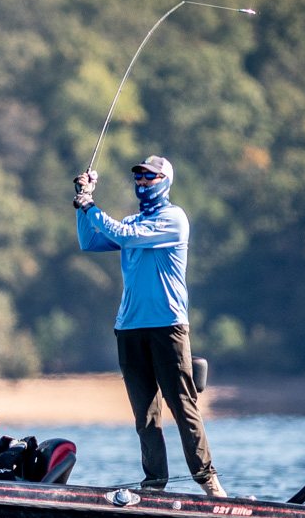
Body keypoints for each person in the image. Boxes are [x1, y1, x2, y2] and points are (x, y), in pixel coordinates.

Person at [74, 156, 227, 497]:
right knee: (145, 416)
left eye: (149, 177)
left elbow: (125, 237)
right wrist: (83, 201)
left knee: (182, 407)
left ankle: (208, 481)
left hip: (168, 327)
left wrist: (90, 207)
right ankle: (155, 484)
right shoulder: (132, 220)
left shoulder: (174, 219)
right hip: (129, 328)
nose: (142, 182)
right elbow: (90, 241)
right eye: (139, 177)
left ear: (165, 181)